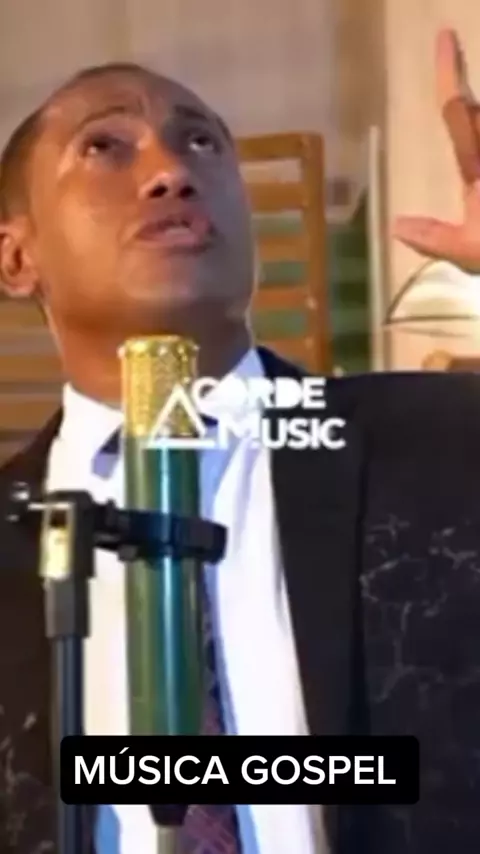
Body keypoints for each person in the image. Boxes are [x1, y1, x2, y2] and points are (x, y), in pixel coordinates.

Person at [0, 25, 480, 854]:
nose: (171, 172)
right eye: (105, 146)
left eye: (200, 142)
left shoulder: (446, 441)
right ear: (15, 258)